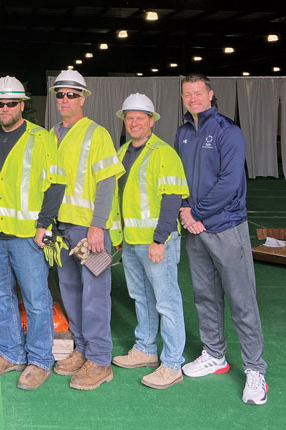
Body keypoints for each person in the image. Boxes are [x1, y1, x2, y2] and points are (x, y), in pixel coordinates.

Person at [174, 73, 268, 405]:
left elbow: (230, 182)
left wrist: (196, 213)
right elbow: (177, 178)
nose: (193, 98)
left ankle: (256, 370)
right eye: (187, 94)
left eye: (198, 92)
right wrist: (185, 210)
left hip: (226, 227)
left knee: (243, 301)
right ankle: (215, 355)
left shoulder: (228, 131)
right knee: (205, 296)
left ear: (211, 94)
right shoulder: (183, 133)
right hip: (196, 229)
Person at [0, 76, 66, 391]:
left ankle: (40, 361)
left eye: (11, 103)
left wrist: (44, 224)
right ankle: (12, 353)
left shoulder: (41, 138)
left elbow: (56, 184)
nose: (5, 108)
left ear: (22, 105)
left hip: (28, 235)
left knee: (37, 299)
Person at [49, 70, 124, 391]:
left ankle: (100, 359)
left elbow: (107, 182)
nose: (65, 100)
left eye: (72, 94)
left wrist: (98, 226)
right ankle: (82, 349)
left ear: (83, 98)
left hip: (89, 230)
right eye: (61, 94)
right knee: (70, 288)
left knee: (95, 292)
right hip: (62, 229)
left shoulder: (97, 134)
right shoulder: (52, 135)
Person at [110, 93, 189, 389]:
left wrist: (160, 239)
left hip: (156, 242)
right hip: (131, 241)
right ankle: (145, 348)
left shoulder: (163, 153)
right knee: (141, 297)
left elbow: (172, 197)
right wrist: (119, 237)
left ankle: (172, 364)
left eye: (140, 118)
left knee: (166, 302)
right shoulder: (122, 152)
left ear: (151, 122)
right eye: (129, 118)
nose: (134, 123)